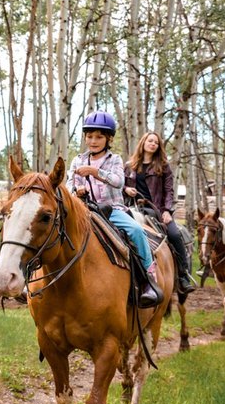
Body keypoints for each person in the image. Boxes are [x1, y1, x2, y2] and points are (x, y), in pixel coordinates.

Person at [69, 111, 163, 306]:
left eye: (99, 137)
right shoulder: (77, 160)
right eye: (90, 136)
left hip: (112, 210)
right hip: (83, 211)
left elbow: (118, 182)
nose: (93, 141)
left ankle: (148, 278)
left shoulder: (115, 160)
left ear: (108, 138)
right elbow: (70, 183)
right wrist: (76, 190)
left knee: (136, 230)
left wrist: (96, 172)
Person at [124, 131, 195, 295]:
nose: (153, 144)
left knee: (175, 235)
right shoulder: (129, 166)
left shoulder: (163, 166)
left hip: (156, 210)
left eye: (156, 142)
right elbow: (119, 185)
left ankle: (183, 276)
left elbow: (169, 191)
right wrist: (126, 189)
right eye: (150, 141)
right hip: (132, 208)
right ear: (143, 142)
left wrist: (167, 211)